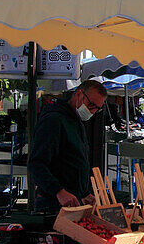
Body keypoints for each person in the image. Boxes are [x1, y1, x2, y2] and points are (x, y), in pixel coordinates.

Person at [28, 80, 105, 213]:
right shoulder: (54, 120)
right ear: (79, 94)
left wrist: (84, 193)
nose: (92, 111)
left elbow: (73, 162)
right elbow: (36, 164)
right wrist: (59, 191)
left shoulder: (76, 122)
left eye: (97, 109)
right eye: (91, 105)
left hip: (74, 202)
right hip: (52, 204)